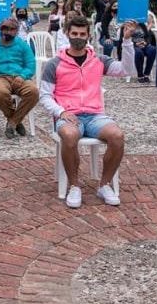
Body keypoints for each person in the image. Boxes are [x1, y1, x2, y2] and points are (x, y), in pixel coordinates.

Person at [40, 15, 135, 208]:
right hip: (69, 115)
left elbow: (127, 70)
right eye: (74, 33)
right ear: (67, 33)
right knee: (69, 135)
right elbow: (44, 95)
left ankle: (104, 184)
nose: (78, 37)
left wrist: (126, 41)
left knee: (117, 136)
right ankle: (74, 185)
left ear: (88, 36)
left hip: (95, 115)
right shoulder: (54, 63)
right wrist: (60, 111)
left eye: (82, 34)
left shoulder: (98, 60)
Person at [0, 17, 39, 138]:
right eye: (5, 28)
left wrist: (22, 76)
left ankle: (12, 122)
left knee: (33, 92)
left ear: (16, 31)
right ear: (0, 30)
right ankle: (17, 121)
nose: (8, 31)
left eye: (12, 29)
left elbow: (31, 64)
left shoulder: (22, 45)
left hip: (20, 76)